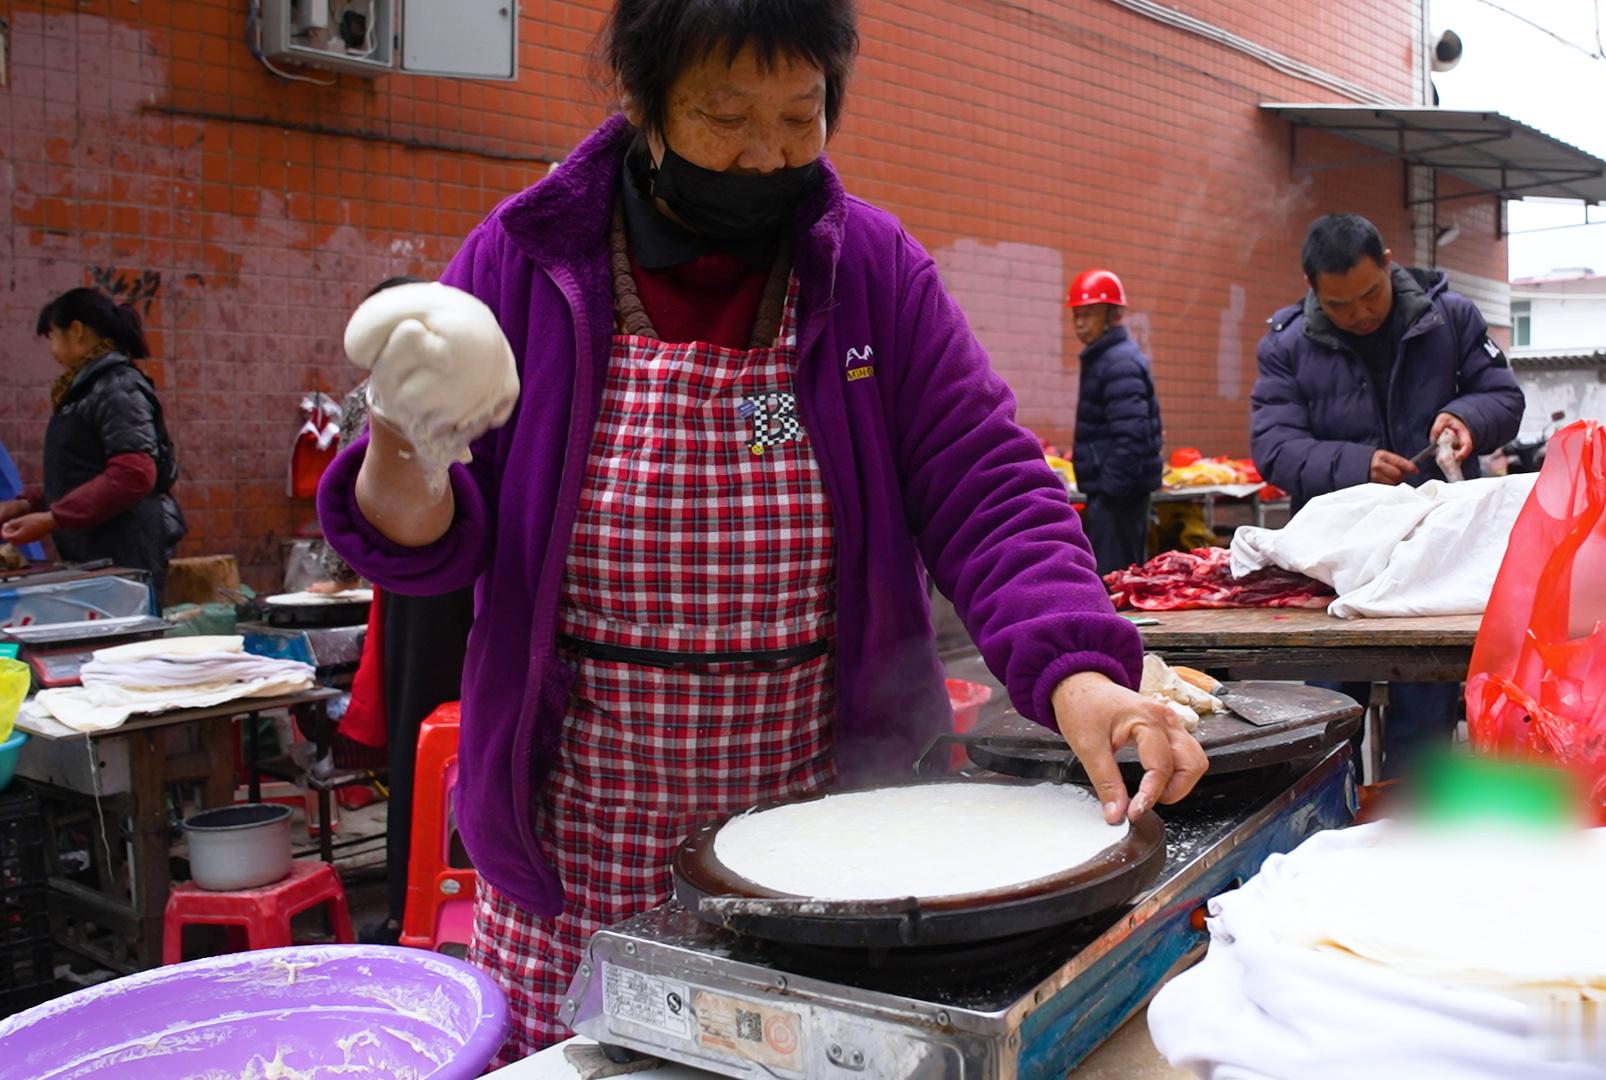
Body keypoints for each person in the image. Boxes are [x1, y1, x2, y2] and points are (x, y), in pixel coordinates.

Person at [317, 0, 1206, 1059]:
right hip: (580, 827)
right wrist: (404, 450)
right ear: (644, 106)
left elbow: (986, 484)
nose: (766, 155)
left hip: (831, 822)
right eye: (726, 116)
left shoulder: (871, 275)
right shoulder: (526, 262)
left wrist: (1079, 669)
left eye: (801, 115)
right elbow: (429, 545)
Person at [1249, 213, 1523, 778]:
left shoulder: (1449, 316)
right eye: (1340, 305)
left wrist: (1468, 417)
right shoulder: (1287, 345)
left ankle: (1410, 831)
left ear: (1389, 262)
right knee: (1327, 720)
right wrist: (1356, 464)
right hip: (1335, 561)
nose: (1361, 313)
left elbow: (1501, 395)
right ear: (1314, 291)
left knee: (1425, 716)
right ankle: (1323, 829)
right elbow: (1273, 446)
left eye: (1370, 294)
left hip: (1437, 555)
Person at [306, 275, 476, 948]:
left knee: (431, 745)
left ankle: (423, 905)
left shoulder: (462, 385)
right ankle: (425, 902)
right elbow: (361, 496)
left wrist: (337, 570)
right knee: (436, 748)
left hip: (429, 591)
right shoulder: (401, 394)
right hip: (436, 592)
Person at [1, 289, 184, 600]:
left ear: (76, 331)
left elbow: (134, 474)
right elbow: (84, 473)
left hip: (123, 556)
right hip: (93, 554)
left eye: (52, 337)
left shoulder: (118, 386)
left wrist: (52, 519)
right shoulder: (87, 390)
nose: (52, 350)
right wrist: (25, 504)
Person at [1068, 268, 1164, 575]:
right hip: (1112, 493)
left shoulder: (1118, 361)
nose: (1080, 323)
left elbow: (1132, 435)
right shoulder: (1104, 357)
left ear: (1112, 315)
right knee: (1113, 578)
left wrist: (1110, 490)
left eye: (1089, 314)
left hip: (1119, 497)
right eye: (1076, 315)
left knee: (1117, 580)